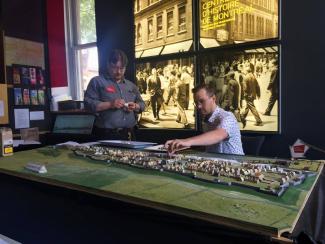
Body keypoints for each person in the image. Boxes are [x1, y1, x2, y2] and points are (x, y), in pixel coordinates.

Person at [165, 84, 244, 155]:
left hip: (235, 165)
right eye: (196, 103)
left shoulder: (227, 117)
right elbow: (210, 147)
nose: (198, 106)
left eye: (202, 101)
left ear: (213, 98)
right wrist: (183, 147)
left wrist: (187, 141)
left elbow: (219, 135)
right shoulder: (207, 119)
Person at [84, 49, 145, 140]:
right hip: (106, 136)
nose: (119, 72)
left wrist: (136, 106)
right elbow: (88, 104)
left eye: (122, 68)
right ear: (108, 65)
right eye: (115, 67)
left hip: (130, 135)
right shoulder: (97, 82)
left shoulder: (131, 85)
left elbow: (142, 105)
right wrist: (110, 104)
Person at [240, 63, 263, 127]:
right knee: (248, 106)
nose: (244, 71)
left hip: (248, 95)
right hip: (253, 95)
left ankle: (259, 121)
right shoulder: (253, 76)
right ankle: (243, 116)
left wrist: (244, 95)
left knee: (252, 108)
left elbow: (245, 88)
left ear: (247, 71)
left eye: (245, 71)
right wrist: (258, 94)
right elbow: (257, 86)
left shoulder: (245, 77)